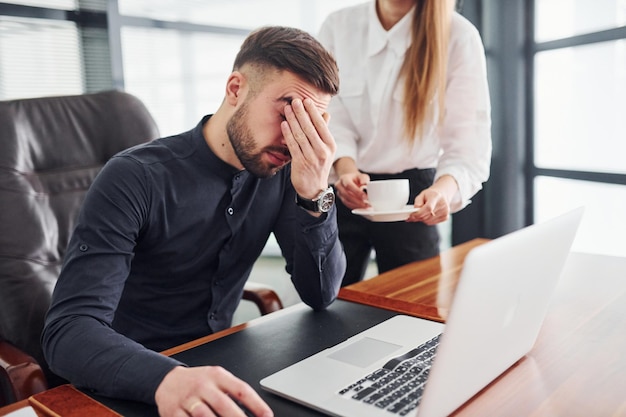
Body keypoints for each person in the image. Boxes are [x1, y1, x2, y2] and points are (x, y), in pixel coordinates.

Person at [42, 26, 345, 417]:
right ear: (236, 89)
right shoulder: (134, 177)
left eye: (313, 120)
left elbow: (320, 294)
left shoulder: (285, 172)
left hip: (224, 367)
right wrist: (167, 378)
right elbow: (68, 332)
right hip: (131, 381)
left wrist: (315, 194)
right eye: (288, 109)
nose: (295, 137)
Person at [317, 0, 492, 286]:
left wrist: (442, 193)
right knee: (328, 299)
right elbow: (330, 114)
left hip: (415, 198)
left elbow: (467, 146)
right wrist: (346, 169)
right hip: (345, 185)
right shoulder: (338, 26)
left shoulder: (459, 37)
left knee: (410, 311)